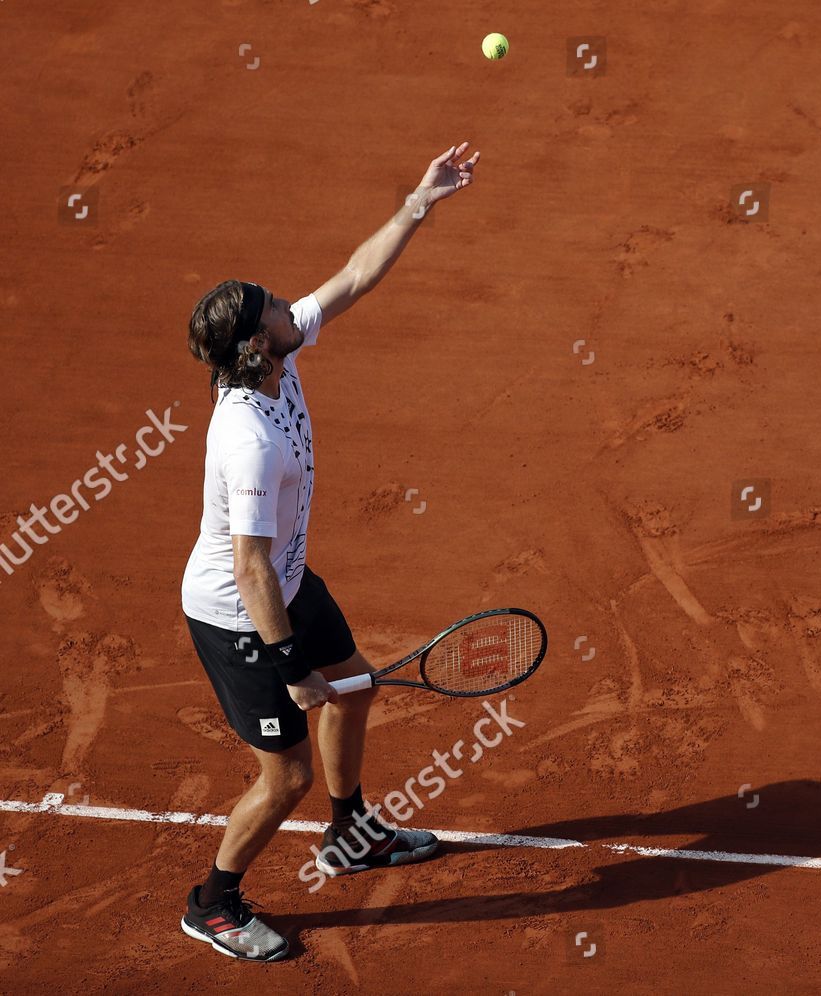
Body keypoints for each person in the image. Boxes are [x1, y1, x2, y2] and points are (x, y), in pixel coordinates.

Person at [177, 143, 480, 961]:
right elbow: (246, 568)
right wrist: (286, 667)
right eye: (273, 303)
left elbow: (352, 278)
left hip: (284, 581)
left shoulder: (278, 355)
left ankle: (350, 836)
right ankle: (213, 903)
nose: (288, 302)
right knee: (286, 776)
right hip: (241, 609)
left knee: (354, 687)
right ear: (255, 343)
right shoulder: (248, 441)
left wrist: (423, 199)